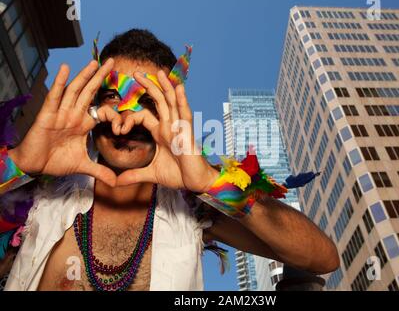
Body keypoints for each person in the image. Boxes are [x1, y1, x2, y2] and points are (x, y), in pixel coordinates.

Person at [0, 29, 339, 291]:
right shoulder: (36, 196)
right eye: (113, 96)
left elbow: (321, 256)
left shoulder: (195, 209)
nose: (126, 119)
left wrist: (212, 184)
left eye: (147, 102)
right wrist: (17, 166)